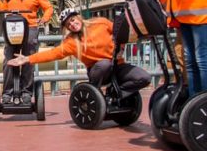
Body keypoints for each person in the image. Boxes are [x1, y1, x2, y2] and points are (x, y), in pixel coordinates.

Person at [8, 8, 151, 98]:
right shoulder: (71, 42)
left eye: (73, 19)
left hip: (118, 66)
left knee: (144, 78)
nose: (72, 24)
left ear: (78, 17)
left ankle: (115, 93)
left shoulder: (100, 23)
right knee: (104, 64)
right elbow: (53, 53)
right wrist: (27, 59)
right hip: (99, 70)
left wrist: (140, 34)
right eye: (68, 24)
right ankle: (96, 93)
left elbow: (121, 33)